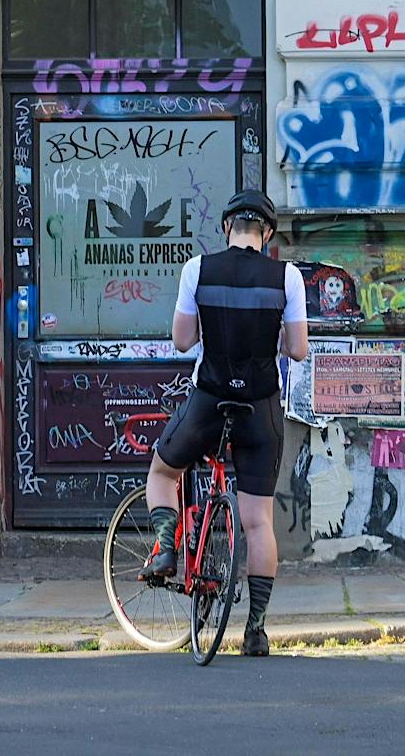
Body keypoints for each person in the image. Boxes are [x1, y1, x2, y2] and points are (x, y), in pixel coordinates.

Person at [139, 187, 308, 657]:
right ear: (268, 232)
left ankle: (166, 546)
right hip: (261, 406)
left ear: (227, 227)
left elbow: (181, 340)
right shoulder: (286, 277)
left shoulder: (199, 269)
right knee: (257, 521)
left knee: (163, 471)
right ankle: (255, 629)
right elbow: (297, 350)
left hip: (208, 401)